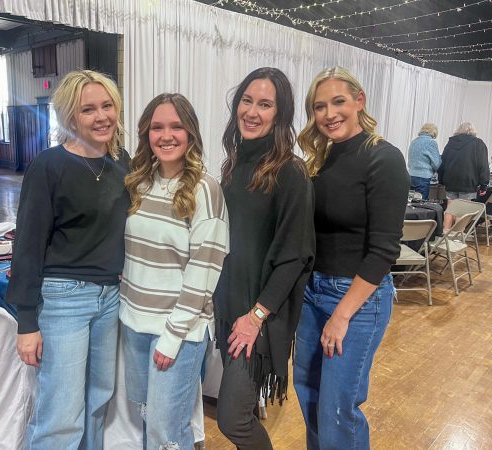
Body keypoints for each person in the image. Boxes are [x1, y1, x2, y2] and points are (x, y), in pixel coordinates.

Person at [6, 70, 130, 450]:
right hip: (63, 299)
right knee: (60, 417)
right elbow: (27, 244)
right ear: (70, 117)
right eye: (88, 109)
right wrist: (27, 321)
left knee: (97, 402)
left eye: (107, 105)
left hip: (110, 298)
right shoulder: (49, 165)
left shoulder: (122, 161)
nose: (101, 116)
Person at [294, 66, 409, 450]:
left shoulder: (383, 158)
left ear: (359, 101)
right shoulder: (321, 160)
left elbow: (383, 251)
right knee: (308, 393)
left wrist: (342, 315)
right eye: (319, 106)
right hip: (314, 292)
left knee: (337, 410)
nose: (329, 114)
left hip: (358, 300)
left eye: (338, 101)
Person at [213, 67, 315, 450]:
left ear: (280, 114)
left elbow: (295, 255)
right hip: (227, 307)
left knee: (233, 419)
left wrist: (256, 316)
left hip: (257, 316)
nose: (252, 111)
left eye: (265, 104)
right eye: (247, 100)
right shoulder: (234, 165)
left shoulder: (290, 172)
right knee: (243, 413)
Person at [120, 93, 229, 450]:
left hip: (178, 332)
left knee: (165, 432)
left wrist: (172, 336)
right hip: (135, 323)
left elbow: (205, 267)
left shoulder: (204, 189)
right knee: (151, 418)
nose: (166, 136)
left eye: (176, 127)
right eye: (157, 127)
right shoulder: (139, 182)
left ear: (191, 134)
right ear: (146, 134)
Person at [438, 122, 489, 230]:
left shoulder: (451, 143)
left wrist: (441, 179)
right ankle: (457, 239)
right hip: (468, 182)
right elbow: (483, 165)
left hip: (451, 181)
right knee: (462, 211)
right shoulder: (478, 143)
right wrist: (484, 184)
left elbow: (443, 162)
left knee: (450, 209)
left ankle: (445, 235)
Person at [407, 123, 441, 200]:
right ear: (434, 132)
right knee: (421, 205)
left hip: (410, 176)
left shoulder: (414, 141)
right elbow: (436, 164)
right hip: (423, 178)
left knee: (410, 203)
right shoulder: (431, 142)